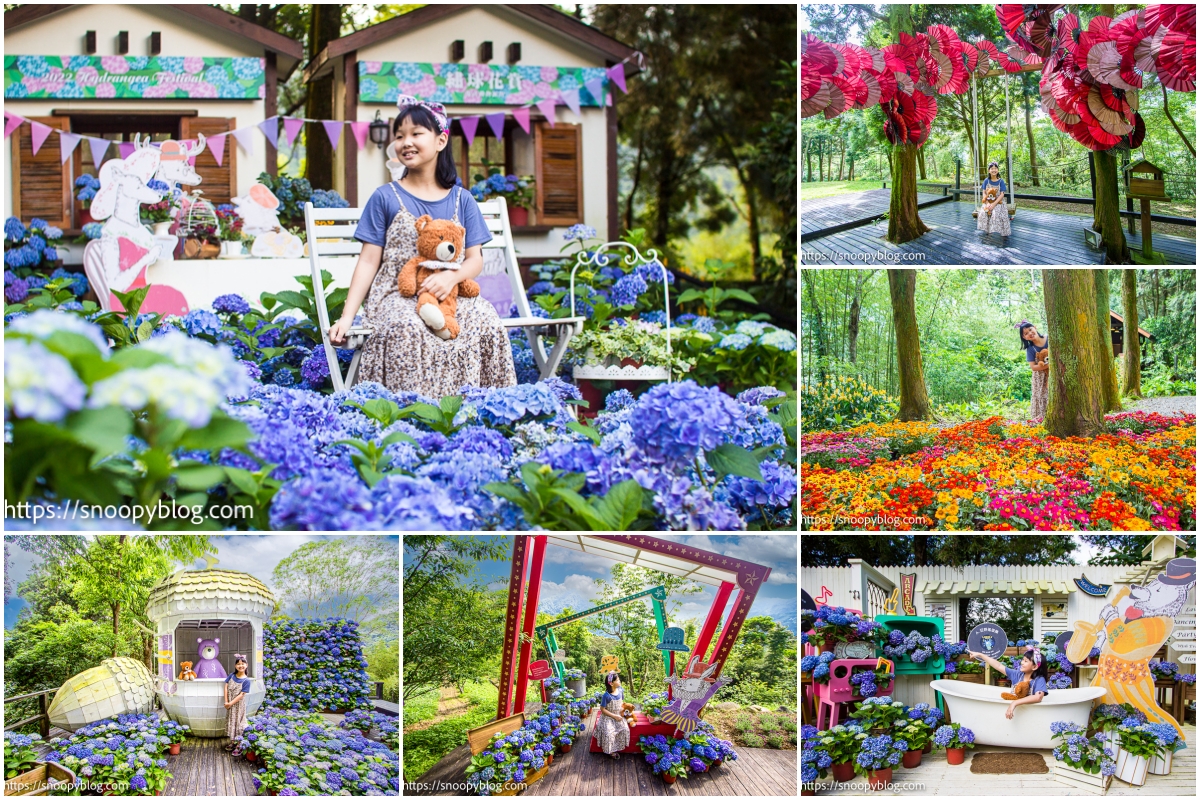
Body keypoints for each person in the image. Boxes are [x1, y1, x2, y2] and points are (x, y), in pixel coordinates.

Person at [330, 95, 517, 397]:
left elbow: (474, 260)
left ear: (441, 141)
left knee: (486, 320)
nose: (406, 142)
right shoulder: (385, 197)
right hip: (397, 294)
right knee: (408, 327)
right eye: (400, 136)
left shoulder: (461, 199)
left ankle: (484, 409)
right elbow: (367, 261)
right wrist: (348, 316)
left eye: (416, 133)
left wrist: (451, 276)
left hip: (452, 293)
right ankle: (412, 416)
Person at [966, 648, 1049, 719]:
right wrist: (981, 655)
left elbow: (1038, 697)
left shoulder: (1039, 680)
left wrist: (1015, 703)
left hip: (1030, 716)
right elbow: (998, 666)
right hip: (1013, 715)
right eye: (1022, 660)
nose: (1022, 663)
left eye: (1026, 661)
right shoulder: (1017, 675)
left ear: (1034, 667)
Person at [1018, 321, 1049, 420]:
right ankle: (1041, 419)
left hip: (1054, 374)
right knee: (1041, 397)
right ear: (1024, 338)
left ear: (1035, 327)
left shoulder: (1048, 338)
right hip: (1040, 378)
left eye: (1030, 330)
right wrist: (1049, 365)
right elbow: (1033, 367)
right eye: (1026, 333)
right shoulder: (1031, 349)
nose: (1030, 333)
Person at [595, 671, 630, 758]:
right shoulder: (606, 696)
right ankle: (611, 751)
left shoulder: (620, 690)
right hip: (608, 717)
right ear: (611, 683)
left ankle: (620, 747)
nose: (620, 681)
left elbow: (622, 702)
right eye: (617, 680)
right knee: (609, 733)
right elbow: (602, 709)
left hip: (619, 715)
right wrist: (614, 716)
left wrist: (623, 712)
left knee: (625, 729)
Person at [223, 654, 251, 755]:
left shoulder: (246, 680)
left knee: (239, 724)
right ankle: (233, 742)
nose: (241, 666)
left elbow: (241, 695)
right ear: (235, 666)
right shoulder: (231, 675)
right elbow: (226, 687)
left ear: (246, 665)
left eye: (243, 664)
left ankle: (239, 745)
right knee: (232, 722)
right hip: (229, 705)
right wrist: (226, 702)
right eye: (238, 664)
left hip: (238, 706)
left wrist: (230, 703)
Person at [977, 162, 1011, 241]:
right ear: (989, 171)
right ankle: (988, 230)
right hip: (988, 201)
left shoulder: (1001, 181)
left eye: (995, 168)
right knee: (984, 211)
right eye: (992, 169)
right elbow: (984, 192)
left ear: (998, 170)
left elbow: (1002, 194)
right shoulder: (986, 181)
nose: (994, 170)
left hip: (998, 202)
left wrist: (994, 204)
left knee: (996, 212)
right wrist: (987, 203)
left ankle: (1003, 231)